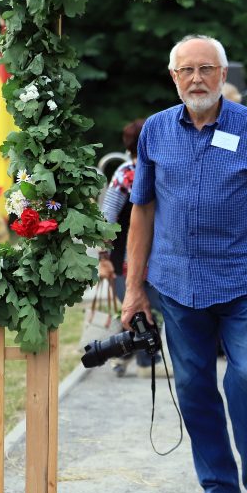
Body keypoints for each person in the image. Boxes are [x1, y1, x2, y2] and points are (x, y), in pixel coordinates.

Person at [122, 34, 247, 493]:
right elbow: (141, 213)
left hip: (244, 279)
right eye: (187, 70)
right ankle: (219, 488)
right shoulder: (155, 131)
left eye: (206, 69)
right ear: (173, 77)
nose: (196, 78)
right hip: (177, 283)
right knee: (193, 383)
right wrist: (134, 287)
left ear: (224, 75)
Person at [98, 119, 163, 376]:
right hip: (144, 253)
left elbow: (106, 219)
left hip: (128, 254)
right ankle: (147, 362)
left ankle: (120, 356)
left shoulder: (124, 174)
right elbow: (107, 219)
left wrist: (103, 256)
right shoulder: (153, 171)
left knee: (136, 307)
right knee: (145, 308)